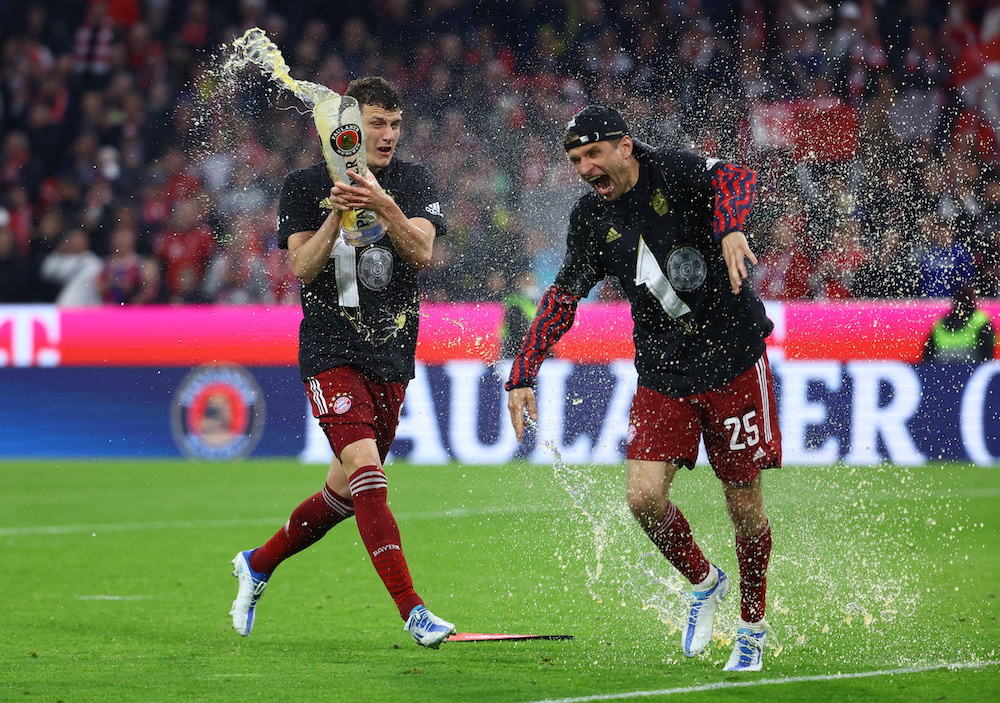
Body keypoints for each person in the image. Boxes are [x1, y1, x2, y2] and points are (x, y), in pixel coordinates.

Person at [505, 105, 781, 672]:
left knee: (744, 506)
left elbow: (736, 176)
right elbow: (562, 297)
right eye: (576, 160)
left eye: (592, 154)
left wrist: (730, 227)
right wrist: (523, 371)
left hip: (732, 362)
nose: (584, 168)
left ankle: (752, 626)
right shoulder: (589, 218)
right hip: (662, 372)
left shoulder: (674, 171)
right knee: (643, 497)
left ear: (624, 146)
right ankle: (704, 582)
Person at [229, 76, 456, 648]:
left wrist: (379, 201)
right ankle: (414, 611)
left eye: (396, 124)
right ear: (345, 127)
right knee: (368, 475)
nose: (388, 135)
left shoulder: (413, 181)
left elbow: (423, 252)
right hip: (330, 350)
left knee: (344, 494)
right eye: (377, 123)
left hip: (390, 352)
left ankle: (256, 563)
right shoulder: (304, 186)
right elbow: (302, 269)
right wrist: (335, 213)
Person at [922, 283, 997, 364]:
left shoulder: (939, 323)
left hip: (942, 372)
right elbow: (988, 355)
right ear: (973, 300)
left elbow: (927, 359)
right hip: (972, 370)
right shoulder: (981, 320)